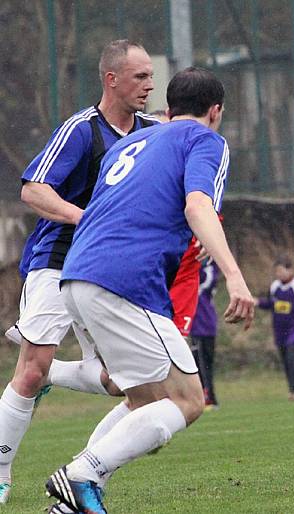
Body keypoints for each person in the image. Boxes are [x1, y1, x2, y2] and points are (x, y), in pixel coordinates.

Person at [43, 66, 255, 513]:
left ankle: (70, 499)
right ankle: (83, 475)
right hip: (124, 280)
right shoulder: (205, 141)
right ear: (215, 111)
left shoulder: (132, 142)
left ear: (170, 107)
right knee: (187, 400)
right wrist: (234, 275)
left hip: (78, 273)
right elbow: (198, 205)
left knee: (144, 398)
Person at [0, 39, 158, 504]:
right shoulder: (80, 130)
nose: (149, 85)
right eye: (140, 77)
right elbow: (32, 191)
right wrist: (81, 216)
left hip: (108, 268)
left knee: (120, 382)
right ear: (112, 80)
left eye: (151, 76)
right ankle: (1, 468)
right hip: (58, 260)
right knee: (30, 370)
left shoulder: (150, 132)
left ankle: (57, 383)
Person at [257, 258, 294, 401]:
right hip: (279, 329)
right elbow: (271, 304)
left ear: (290, 270)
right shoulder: (274, 286)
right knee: (284, 360)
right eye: (277, 271)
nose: (279, 274)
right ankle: (291, 389)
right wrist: (257, 302)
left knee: (291, 356)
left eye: (282, 270)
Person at [191, 260, 220, 409]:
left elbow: (207, 282)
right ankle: (202, 397)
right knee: (195, 364)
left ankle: (210, 398)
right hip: (193, 326)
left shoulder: (209, 269)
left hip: (206, 326)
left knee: (206, 364)